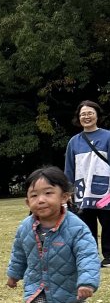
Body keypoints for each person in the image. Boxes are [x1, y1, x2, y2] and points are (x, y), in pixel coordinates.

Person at [7, 167, 100, 303]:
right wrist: (14, 274)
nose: (41, 199)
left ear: (64, 196)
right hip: (39, 285)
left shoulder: (77, 227)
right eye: (34, 195)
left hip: (72, 286)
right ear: (27, 202)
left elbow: (87, 255)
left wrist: (86, 282)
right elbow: (19, 253)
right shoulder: (25, 227)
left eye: (48, 193)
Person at [64, 100, 110, 267]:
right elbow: (69, 169)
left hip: (106, 192)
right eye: (83, 114)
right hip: (82, 191)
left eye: (90, 113)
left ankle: (109, 257)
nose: (86, 116)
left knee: (108, 222)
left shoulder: (108, 136)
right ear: (79, 118)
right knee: (86, 226)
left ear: (97, 115)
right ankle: (89, 257)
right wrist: (67, 191)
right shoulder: (73, 142)